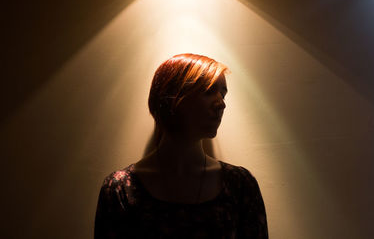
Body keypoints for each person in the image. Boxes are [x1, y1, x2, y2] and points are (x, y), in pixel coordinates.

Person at [94, 53, 268, 238]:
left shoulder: (240, 185)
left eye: (223, 93)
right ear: (172, 96)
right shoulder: (120, 190)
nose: (221, 104)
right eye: (209, 91)